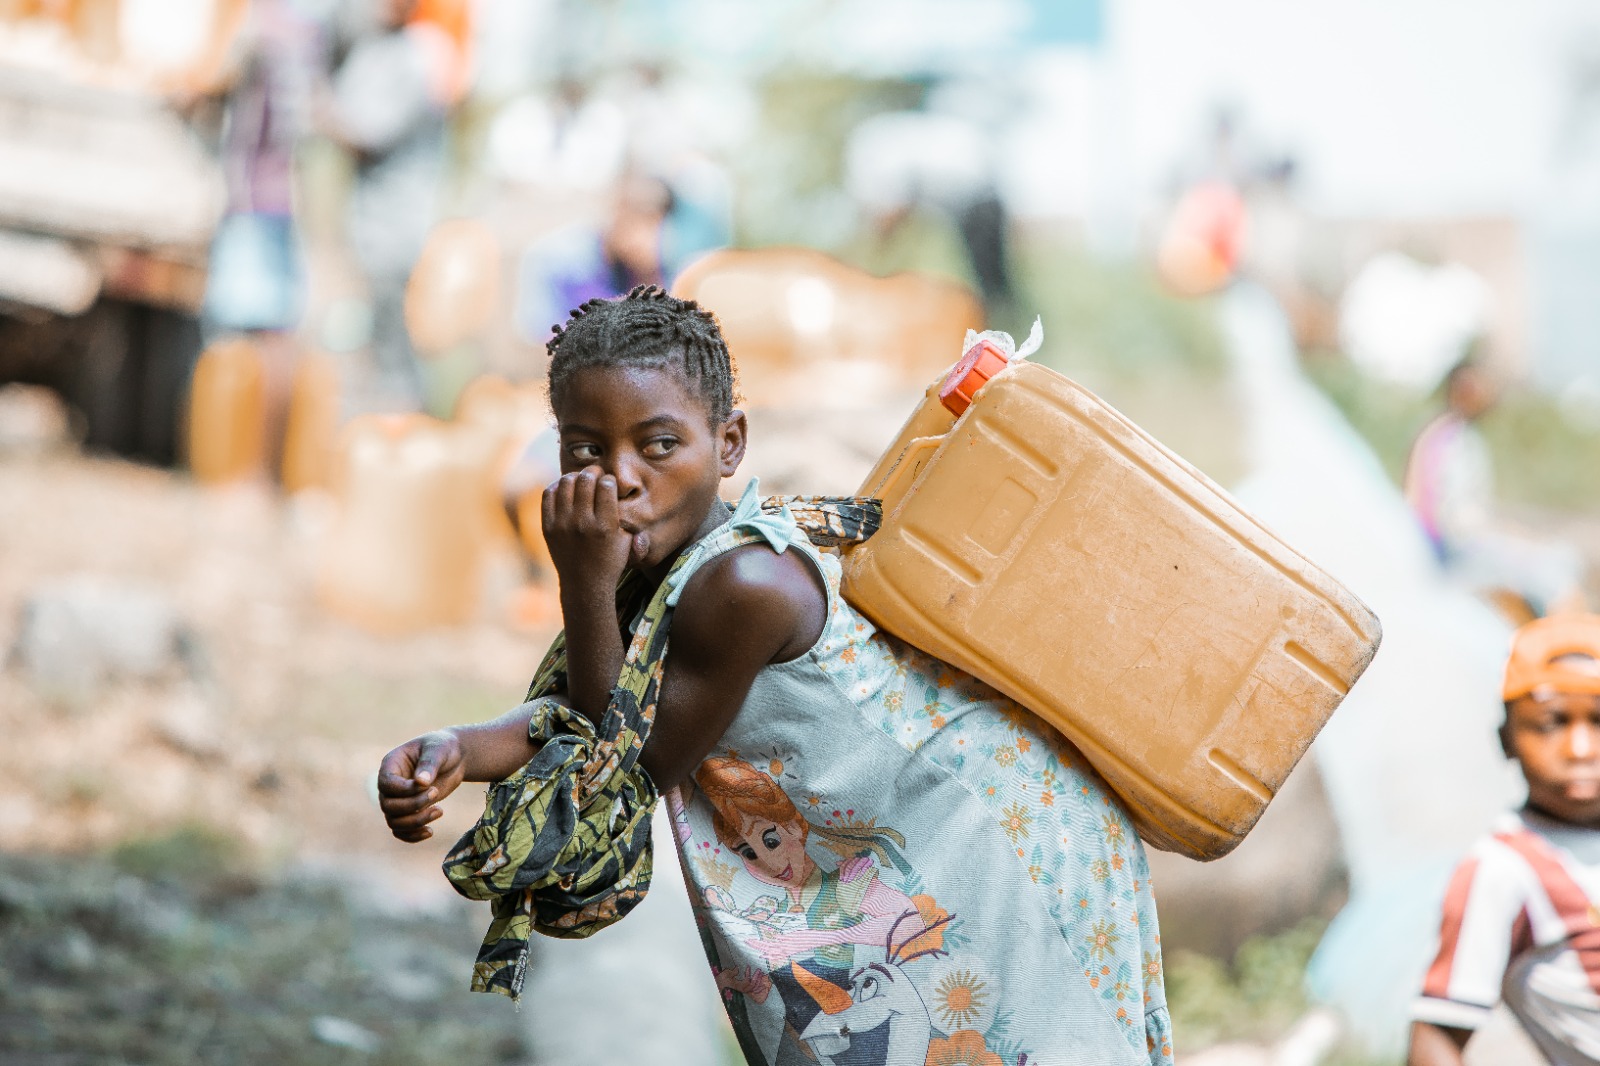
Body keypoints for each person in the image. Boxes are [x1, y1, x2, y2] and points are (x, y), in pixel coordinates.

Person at [375, 286, 1172, 1065]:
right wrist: (456, 749)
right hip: (895, 866)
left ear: (729, 443)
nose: (619, 476)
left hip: (994, 857)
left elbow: (617, 770)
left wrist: (581, 583)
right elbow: (583, 711)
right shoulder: (664, 568)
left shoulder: (743, 586)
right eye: (586, 448)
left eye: (657, 445)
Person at [1408, 612, 1600, 1065]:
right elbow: (1438, 1035)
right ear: (1506, 740)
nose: (1580, 749)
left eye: (1598, 721)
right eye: (1551, 723)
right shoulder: (1503, 870)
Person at [1403, 360, 1586, 622]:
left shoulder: (1449, 433)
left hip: (1458, 547)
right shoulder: (1447, 439)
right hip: (1453, 555)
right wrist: (1508, 537)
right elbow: (1455, 522)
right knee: (1558, 568)